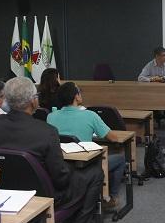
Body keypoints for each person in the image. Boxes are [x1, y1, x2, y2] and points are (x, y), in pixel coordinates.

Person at [0, 77, 104, 223]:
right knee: (94, 173)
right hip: (42, 195)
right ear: (33, 100)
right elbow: (60, 178)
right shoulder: (46, 132)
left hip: (0, 192)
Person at [47, 82, 126, 210]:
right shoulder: (90, 115)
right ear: (76, 97)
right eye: (79, 92)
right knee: (120, 159)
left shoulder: (51, 117)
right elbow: (113, 138)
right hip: (85, 166)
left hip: (61, 165)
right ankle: (111, 198)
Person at [138, 46, 165, 125]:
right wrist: (152, 79)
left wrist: (162, 78)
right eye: (163, 55)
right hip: (153, 93)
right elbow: (140, 77)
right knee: (150, 101)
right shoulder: (150, 65)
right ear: (157, 56)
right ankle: (157, 115)